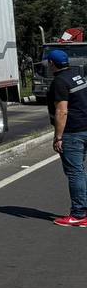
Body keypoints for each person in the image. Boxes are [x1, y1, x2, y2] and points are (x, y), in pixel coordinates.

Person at [46, 48, 87, 227]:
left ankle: (79, 214)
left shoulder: (59, 82)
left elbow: (62, 111)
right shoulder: (77, 75)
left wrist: (58, 137)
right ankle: (83, 210)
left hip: (73, 132)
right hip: (84, 127)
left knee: (75, 173)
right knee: (80, 172)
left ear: (51, 64)